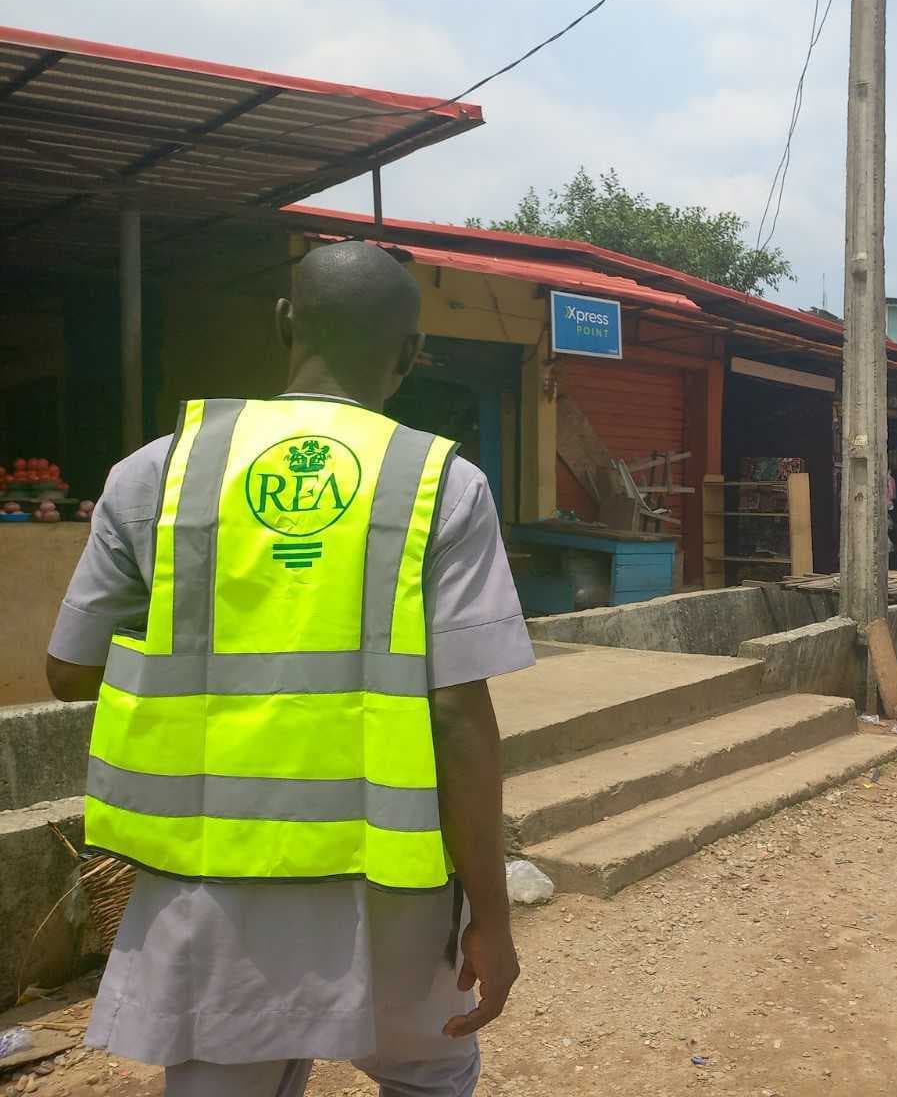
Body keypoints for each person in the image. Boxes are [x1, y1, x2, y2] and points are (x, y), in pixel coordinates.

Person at [45, 242, 535, 1096]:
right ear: (411, 354)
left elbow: (67, 672)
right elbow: (459, 715)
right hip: (390, 881)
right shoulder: (439, 484)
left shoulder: (155, 474)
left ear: (283, 323)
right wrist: (490, 917)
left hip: (211, 881)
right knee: (429, 1072)